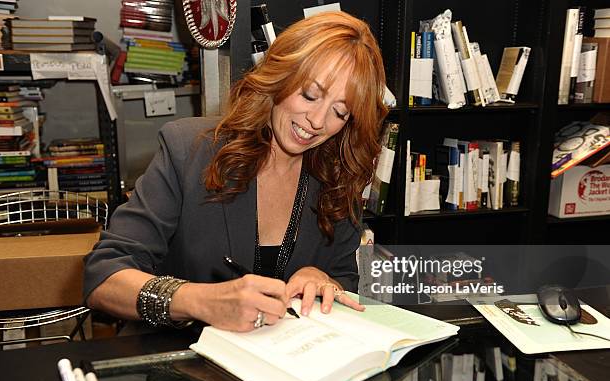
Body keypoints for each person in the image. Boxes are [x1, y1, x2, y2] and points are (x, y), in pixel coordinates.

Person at [84, 11, 388, 332]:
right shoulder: (187, 150)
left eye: (339, 112)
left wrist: (324, 280)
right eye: (310, 95)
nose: (317, 121)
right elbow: (103, 277)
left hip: (286, 371)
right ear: (279, 76)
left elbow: (345, 279)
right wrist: (202, 301)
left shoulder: (339, 178)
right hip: (180, 367)